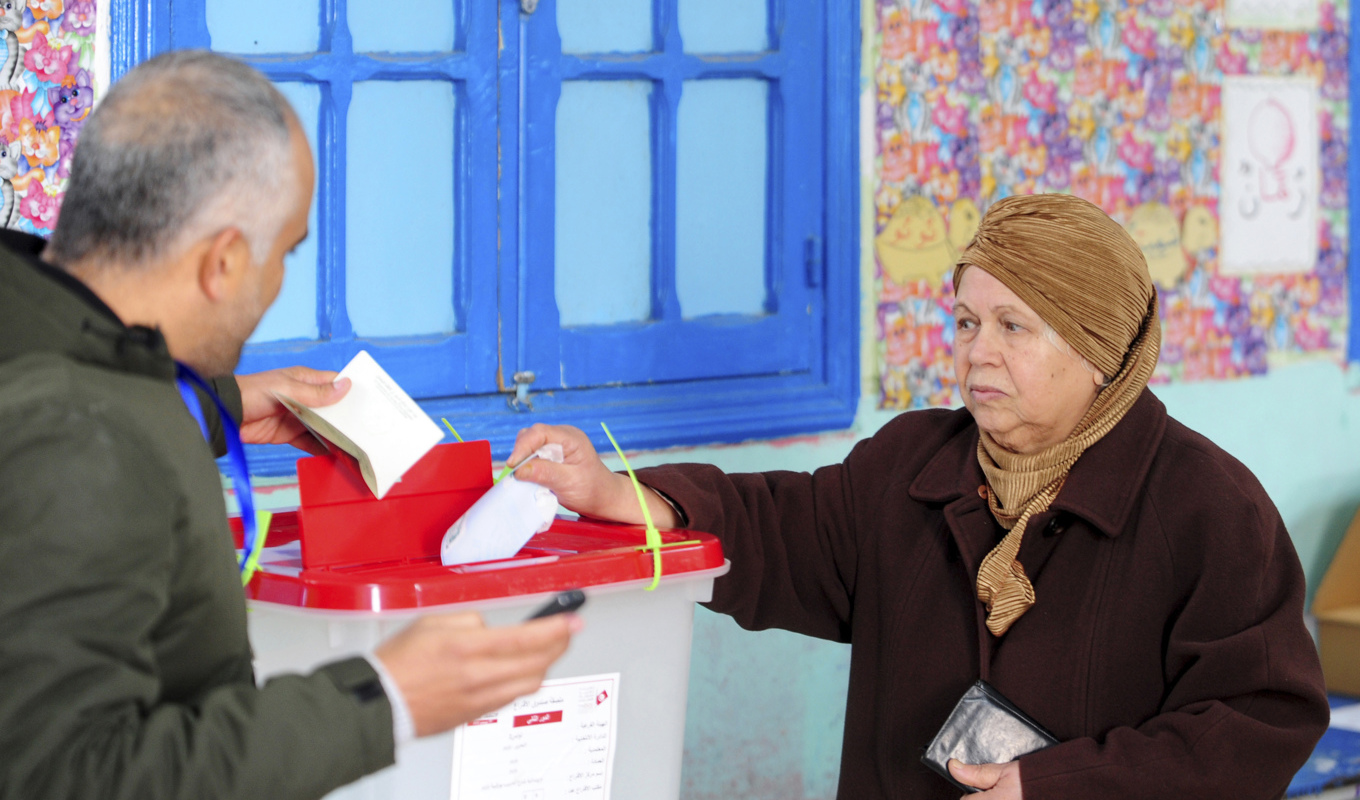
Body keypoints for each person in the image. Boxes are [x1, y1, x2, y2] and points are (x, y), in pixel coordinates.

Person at [507, 194, 1330, 799]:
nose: (978, 354)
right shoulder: (914, 464)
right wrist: (614, 492)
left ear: (1098, 350)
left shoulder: (1209, 510)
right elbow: (780, 528)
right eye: (967, 323)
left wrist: (1056, 787)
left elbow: (1258, 722)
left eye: (1014, 326)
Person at [0, 51, 576, 799]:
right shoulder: (80, 436)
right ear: (224, 262)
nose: (277, 281)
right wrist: (386, 698)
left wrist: (219, 405)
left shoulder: (47, 346)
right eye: (284, 254)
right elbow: (62, 778)